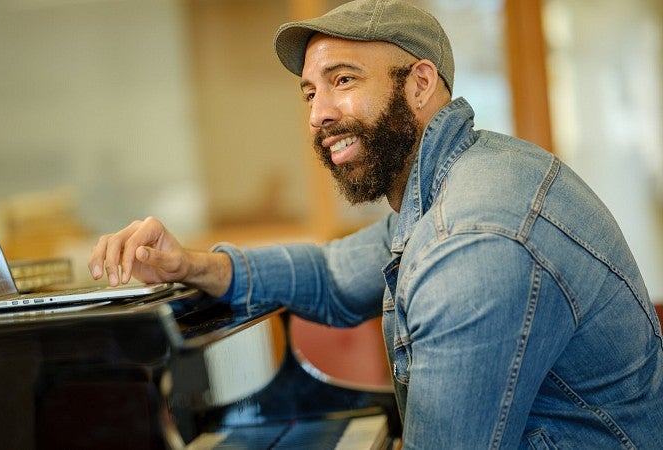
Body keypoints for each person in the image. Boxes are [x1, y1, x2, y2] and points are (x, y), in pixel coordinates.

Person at [89, 0, 663, 447]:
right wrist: (193, 266)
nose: (318, 114)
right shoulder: (456, 178)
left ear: (418, 84)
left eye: (344, 81)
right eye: (310, 92)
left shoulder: (471, 241)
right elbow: (336, 274)